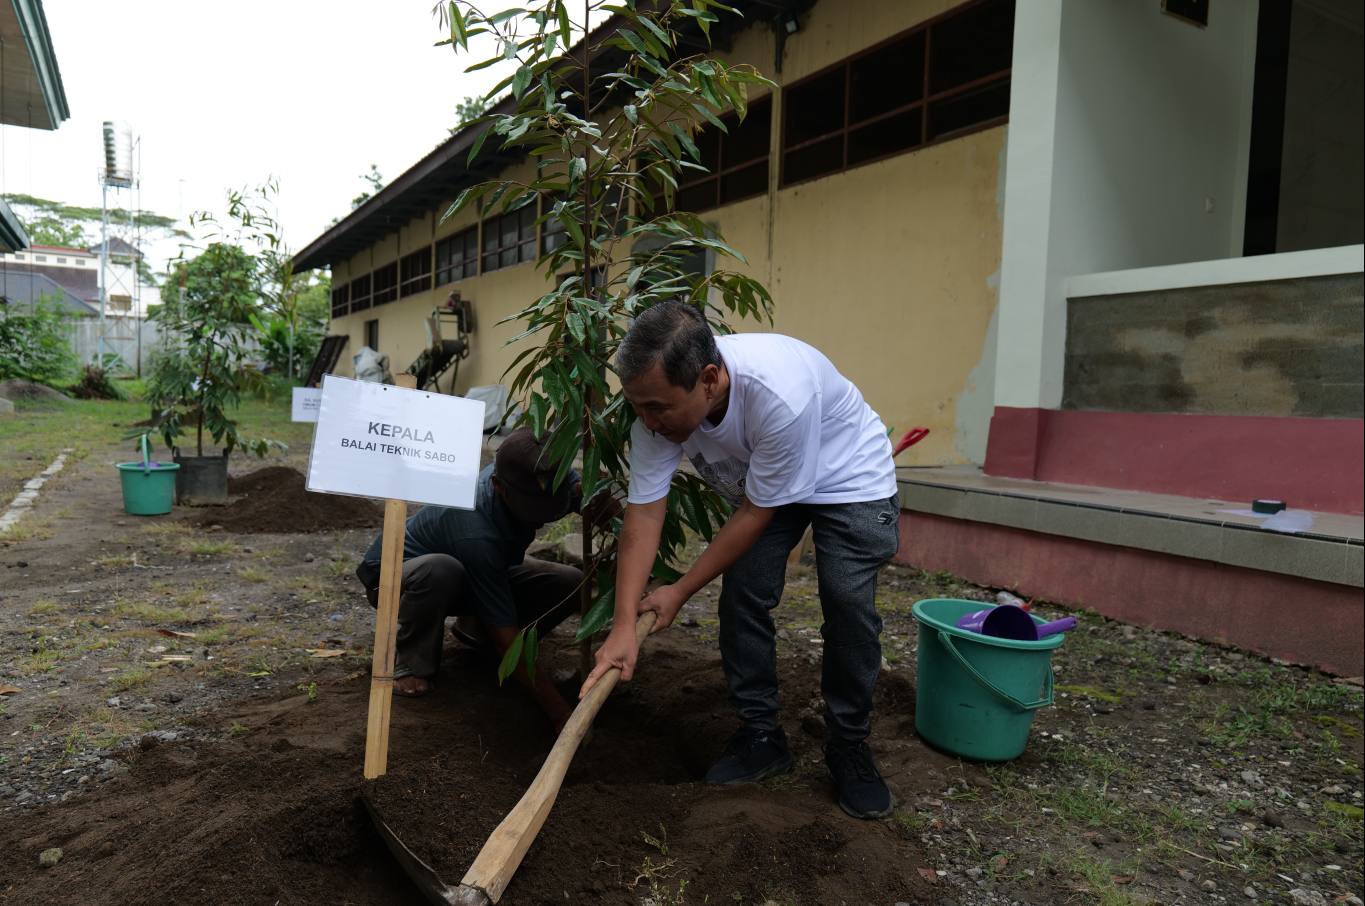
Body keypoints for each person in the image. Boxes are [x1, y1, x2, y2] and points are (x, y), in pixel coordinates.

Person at [582, 300, 901, 819]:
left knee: (846, 599)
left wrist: (679, 591)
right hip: (768, 479)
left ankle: (848, 745)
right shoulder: (654, 409)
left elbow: (755, 513)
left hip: (848, 475)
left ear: (709, 379)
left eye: (658, 408)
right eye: (638, 407)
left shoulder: (781, 396)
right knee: (742, 596)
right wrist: (622, 626)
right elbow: (644, 514)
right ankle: (761, 735)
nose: (647, 421)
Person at [356, 427, 586, 733]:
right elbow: (509, 636)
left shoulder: (541, 465)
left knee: (570, 581)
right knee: (440, 570)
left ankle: (477, 634)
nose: (541, 518)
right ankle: (412, 661)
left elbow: (581, 491)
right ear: (498, 486)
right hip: (397, 577)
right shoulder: (474, 528)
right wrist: (561, 715)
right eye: (533, 507)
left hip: (470, 572)